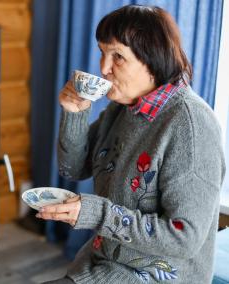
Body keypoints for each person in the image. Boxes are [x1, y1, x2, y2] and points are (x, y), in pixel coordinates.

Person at [36, 5, 225, 284]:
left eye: (118, 57)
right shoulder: (121, 110)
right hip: (103, 263)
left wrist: (96, 213)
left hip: (160, 276)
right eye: (102, 52)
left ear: (152, 61)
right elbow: (72, 169)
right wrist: (74, 114)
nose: (103, 68)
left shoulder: (191, 126)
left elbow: (183, 237)